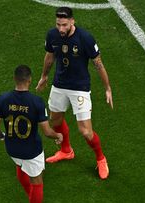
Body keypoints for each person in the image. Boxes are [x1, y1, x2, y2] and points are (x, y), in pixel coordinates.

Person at [36, 6, 113, 180]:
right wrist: (44, 77)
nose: (61, 29)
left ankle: (101, 158)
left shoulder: (85, 38)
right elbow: (49, 57)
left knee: (85, 131)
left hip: (80, 88)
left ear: (72, 21)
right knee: (55, 121)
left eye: (64, 25)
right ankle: (66, 150)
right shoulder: (52, 35)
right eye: (58, 24)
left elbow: (98, 64)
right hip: (59, 85)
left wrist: (107, 88)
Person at [0, 65, 63, 203]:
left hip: (12, 150)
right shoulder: (36, 102)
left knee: (20, 166)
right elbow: (46, 131)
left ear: (15, 79)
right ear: (29, 80)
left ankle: (31, 199)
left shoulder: (2, 99)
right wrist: (58, 136)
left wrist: (4, 137)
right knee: (37, 181)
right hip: (32, 152)